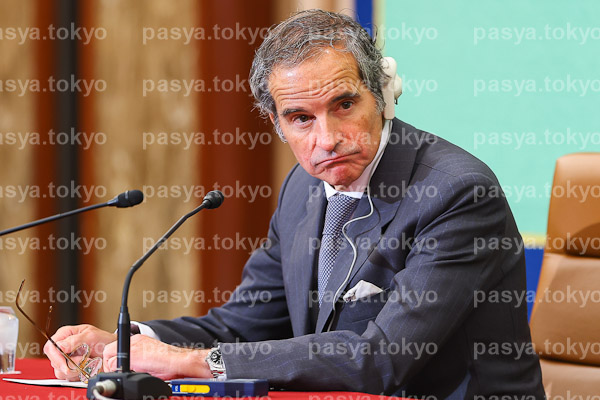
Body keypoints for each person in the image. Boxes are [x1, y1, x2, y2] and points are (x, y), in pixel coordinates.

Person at [45, 9, 545, 399]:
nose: (327, 139)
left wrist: (194, 363)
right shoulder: (302, 189)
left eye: (344, 105)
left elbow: (382, 358)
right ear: (277, 124)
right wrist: (129, 344)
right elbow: (244, 325)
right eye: (301, 118)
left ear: (383, 94)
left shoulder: (458, 193)